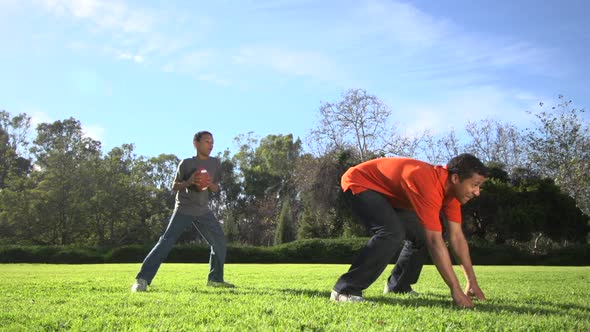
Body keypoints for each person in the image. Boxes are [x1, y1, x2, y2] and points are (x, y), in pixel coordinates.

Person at [330, 153, 488, 308]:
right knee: (392, 232)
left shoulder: (452, 194)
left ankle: (398, 286)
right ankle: (345, 291)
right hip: (360, 182)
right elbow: (435, 241)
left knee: (420, 236)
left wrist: (471, 282)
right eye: (474, 185)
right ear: (455, 179)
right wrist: (456, 290)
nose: (477, 192)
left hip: (389, 195)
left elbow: (457, 238)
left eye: (479, 186)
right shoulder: (429, 183)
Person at [131, 131, 234, 292]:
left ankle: (215, 279)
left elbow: (216, 186)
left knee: (219, 240)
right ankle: (141, 279)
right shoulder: (186, 164)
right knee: (166, 241)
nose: (211, 145)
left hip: (203, 210)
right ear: (196, 143)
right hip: (184, 208)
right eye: (207, 141)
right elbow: (175, 186)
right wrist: (189, 182)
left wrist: (209, 184)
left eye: (212, 142)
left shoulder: (215, 164)